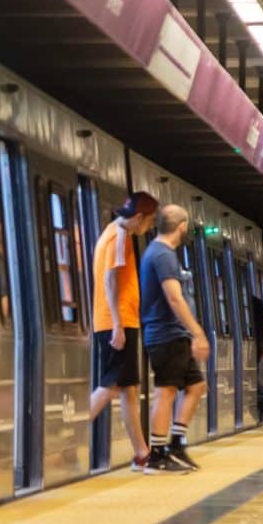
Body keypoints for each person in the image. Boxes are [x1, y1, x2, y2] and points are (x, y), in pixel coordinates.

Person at [89, 191, 158, 470]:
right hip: (117, 322)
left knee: (129, 390)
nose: (149, 228)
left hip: (117, 320)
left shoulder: (110, 231)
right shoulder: (120, 236)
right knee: (109, 386)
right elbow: (110, 280)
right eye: (150, 222)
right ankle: (64, 437)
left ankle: (142, 454)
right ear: (139, 218)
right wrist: (117, 324)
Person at [139, 204, 209, 473]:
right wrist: (198, 332)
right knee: (166, 392)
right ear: (181, 226)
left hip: (174, 334)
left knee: (196, 386)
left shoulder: (162, 253)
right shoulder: (162, 255)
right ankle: (157, 455)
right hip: (165, 333)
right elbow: (174, 297)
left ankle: (176, 444)